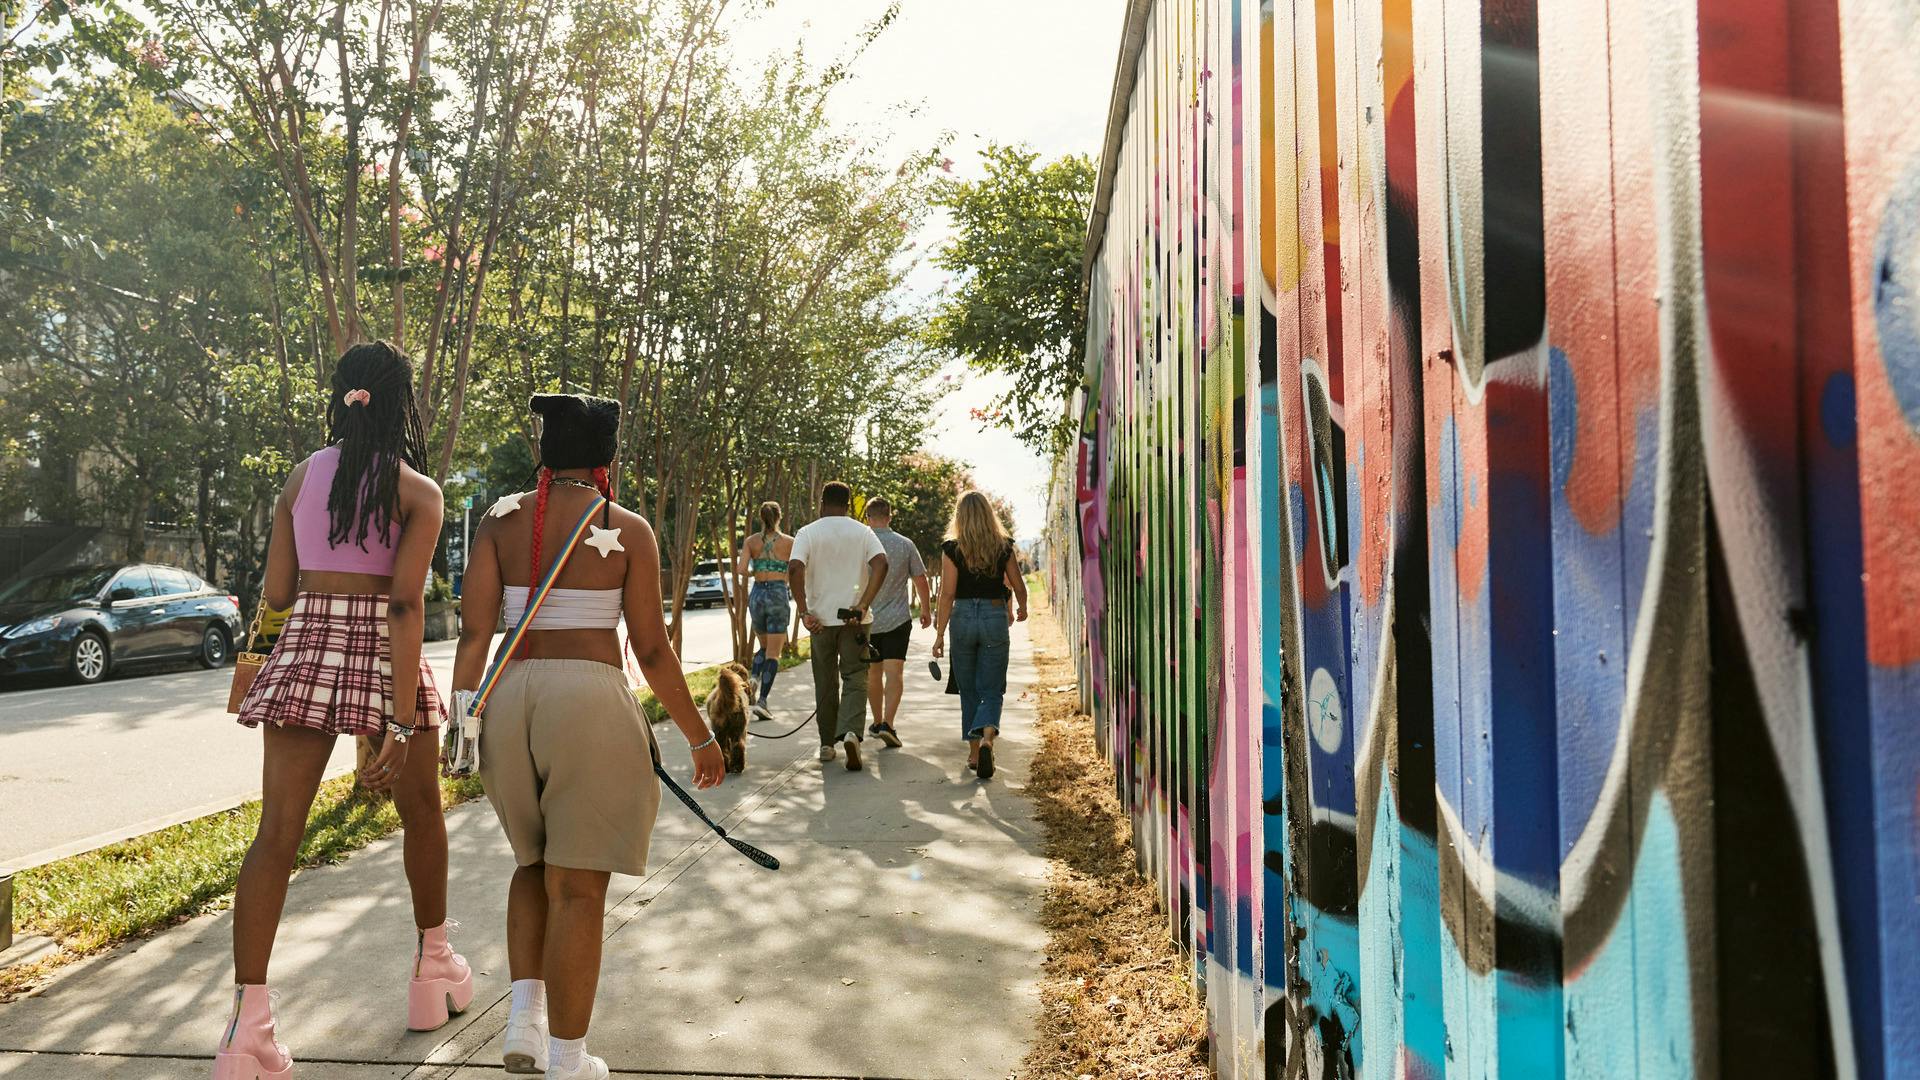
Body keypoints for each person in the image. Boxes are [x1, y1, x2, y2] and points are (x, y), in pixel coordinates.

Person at [454, 393, 726, 1080]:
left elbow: (474, 632)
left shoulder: (498, 520)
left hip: (508, 698)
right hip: (590, 701)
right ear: (604, 456)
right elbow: (654, 653)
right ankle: (570, 1062)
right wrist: (699, 736)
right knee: (579, 889)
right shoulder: (626, 528)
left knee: (531, 865)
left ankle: (524, 1022)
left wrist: (461, 722)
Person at [218, 341, 470, 1079]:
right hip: (384, 656)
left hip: (308, 652)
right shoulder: (418, 491)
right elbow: (402, 603)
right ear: (402, 403)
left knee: (276, 835)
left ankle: (248, 1027)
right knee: (422, 811)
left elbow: (277, 591)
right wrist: (395, 717)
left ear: (342, 396)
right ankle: (433, 968)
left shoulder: (302, 476)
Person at [788, 481, 887, 771]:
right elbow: (881, 563)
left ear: (821, 502)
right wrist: (864, 603)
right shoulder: (863, 531)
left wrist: (804, 611)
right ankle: (852, 734)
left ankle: (827, 745)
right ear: (848, 505)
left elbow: (794, 568)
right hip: (855, 620)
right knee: (856, 676)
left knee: (826, 680)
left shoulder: (807, 533)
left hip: (819, 622)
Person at [930, 490, 1028, 781]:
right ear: (989, 515)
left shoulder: (951, 548)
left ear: (959, 516)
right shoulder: (1003, 546)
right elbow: (1018, 584)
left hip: (961, 618)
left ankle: (974, 754)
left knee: (968, 689)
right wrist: (1022, 607)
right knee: (992, 687)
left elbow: (947, 594)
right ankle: (987, 739)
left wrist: (939, 636)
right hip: (994, 615)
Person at [861, 497, 931, 747]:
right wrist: (926, 609)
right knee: (894, 673)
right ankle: (888, 724)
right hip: (898, 619)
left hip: (866, 619)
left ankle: (877, 720)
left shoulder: (862, 544)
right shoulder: (905, 544)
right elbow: (920, 579)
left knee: (872, 674)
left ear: (868, 518)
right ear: (890, 516)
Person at [734, 501, 795, 717]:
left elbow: (741, 569)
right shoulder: (789, 542)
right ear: (779, 517)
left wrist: (756, 572)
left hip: (758, 594)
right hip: (778, 595)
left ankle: (754, 678)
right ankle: (762, 700)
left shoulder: (751, 541)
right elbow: (795, 570)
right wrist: (782, 577)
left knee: (764, 646)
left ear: (761, 517)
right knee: (774, 653)